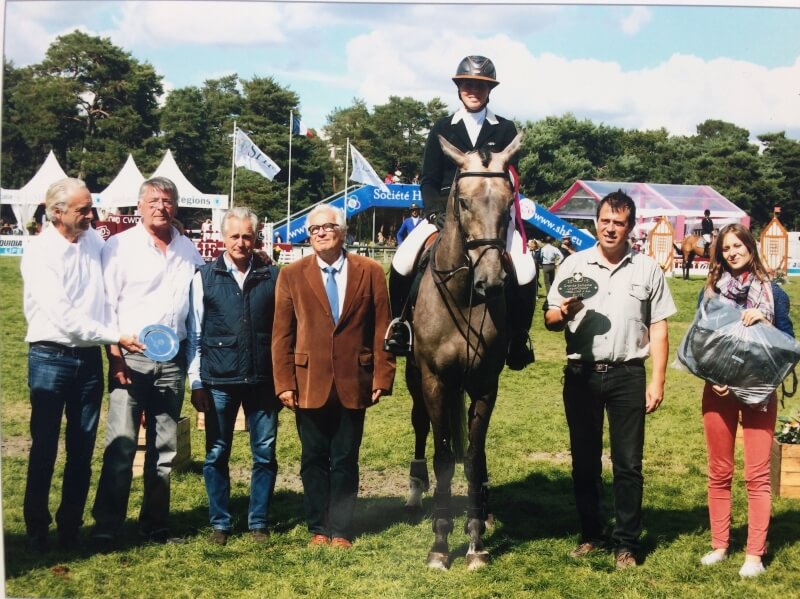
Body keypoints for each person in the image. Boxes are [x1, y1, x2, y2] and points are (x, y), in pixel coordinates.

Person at [545, 190, 676, 569]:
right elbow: (550, 320)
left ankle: (626, 545)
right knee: (584, 462)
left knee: (628, 464)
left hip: (628, 375)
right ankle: (591, 534)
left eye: (619, 222)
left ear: (630, 228)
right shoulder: (573, 265)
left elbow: (660, 327)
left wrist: (658, 381)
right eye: (605, 220)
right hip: (581, 374)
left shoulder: (647, 268)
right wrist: (565, 311)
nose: (610, 228)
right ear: (595, 222)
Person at [384, 55, 536, 370]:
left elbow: (510, 179)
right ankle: (399, 325)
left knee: (526, 268)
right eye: (468, 84)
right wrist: (435, 212)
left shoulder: (504, 129)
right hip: (445, 216)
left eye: (480, 86)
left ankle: (518, 337)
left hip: (489, 219)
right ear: (459, 87)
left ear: (489, 90)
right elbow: (428, 179)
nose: (473, 90)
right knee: (402, 260)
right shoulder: (442, 127)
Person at [20, 178, 144, 553]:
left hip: (89, 358)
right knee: (44, 447)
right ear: (57, 213)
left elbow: (110, 294)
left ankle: (71, 526)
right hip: (49, 355)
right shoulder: (39, 252)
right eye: (83, 210)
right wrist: (115, 336)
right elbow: (65, 317)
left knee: (82, 449)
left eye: (91, 207)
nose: (92, 215)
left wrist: (112, 351)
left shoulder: (93, 241)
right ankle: (37, 528)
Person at [272, 205, 395, 548]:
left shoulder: (370, 271)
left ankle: (340, 529)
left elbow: (382, 327)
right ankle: (318, 528)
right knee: (313, 458)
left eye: (328, 227)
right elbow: (281, 334)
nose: (321, 233)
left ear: (343, 232)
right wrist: (283, 383)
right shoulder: (291, 274)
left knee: (344, 459)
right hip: (307, 382)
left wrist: (382, 376)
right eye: (314, 229)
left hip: (354, 380)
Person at [91, 177, 204, 547]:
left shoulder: (189, 249)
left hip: (171, 362)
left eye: (168, 201)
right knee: (122, 445)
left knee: (166, 450)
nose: (161, 207)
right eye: (154, 200)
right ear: (139, 206)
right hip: (131, 360)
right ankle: (107, 525)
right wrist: (114, 358)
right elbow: (105, 306)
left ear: (176, 206)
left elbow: (202, 300)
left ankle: (155, 525)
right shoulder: (119, 246)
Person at [186, 207, 281, 546]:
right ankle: (220, 524)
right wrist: (196, 381)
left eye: (247, 236)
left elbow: (284, 332)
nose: (241, 242)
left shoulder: (273, 276)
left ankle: (258, 523)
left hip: (263, 381)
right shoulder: (204, 277)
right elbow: (195, 334)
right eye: (235, 236)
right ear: (223, 238)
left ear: (256, 238)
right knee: (216, 453)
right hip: (218, 380)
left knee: (265, 454)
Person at [696, 223, 784, 578]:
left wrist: (766, 322)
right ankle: (720, 545)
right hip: (718, 389)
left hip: (759, 390)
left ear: (751, 247)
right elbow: (699, 342)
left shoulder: (773, 293)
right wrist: (711, 376)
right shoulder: (712, 292)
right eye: (726, 248)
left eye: (738, 246)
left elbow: (788, 346)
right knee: (719, 471)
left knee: (758, 474)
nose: (732, 253)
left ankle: (754, 554)